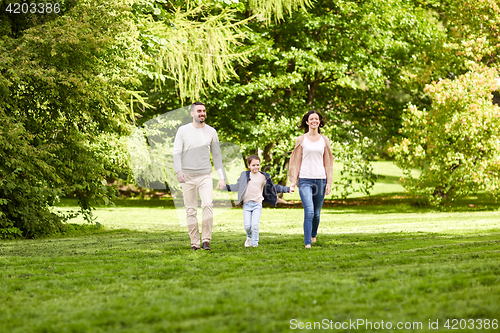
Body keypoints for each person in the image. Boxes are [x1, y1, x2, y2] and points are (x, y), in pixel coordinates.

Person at [173, 102, 226, 251]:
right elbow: (176, 152)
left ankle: (206, 240)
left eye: (203, 111)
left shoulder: (211, 132)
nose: (202, 113)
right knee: (190, 210)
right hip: (187, 176)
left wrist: (221, 177)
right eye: (199, 111)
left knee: (208, 204)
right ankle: (194, 242)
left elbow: (216, 155)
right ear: (192, 113)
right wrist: (179, 170)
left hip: (205, 175)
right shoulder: (183, 131)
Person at [225, 155, 295, 247]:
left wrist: (287, 189)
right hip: (246, 205)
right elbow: (237, 186)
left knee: (255, 225)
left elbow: (274, 188)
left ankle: (255, 244)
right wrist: (225, 187)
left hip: (257, 204)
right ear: (249, 166)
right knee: (247, 226)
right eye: (253, 165)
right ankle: (249, 237)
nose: (256, 167)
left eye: (258, 165)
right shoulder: (245, 176)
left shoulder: (263, 177)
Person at [289, 110, 333, 248]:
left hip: (320, 180)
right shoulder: (301, 140)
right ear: (307, 122)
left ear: (319, 122)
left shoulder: (325, 140)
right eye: (311, 119)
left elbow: (328, 163)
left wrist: (329, 183)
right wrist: (293, 180)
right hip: (304, 179)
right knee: (309, 210)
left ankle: (313, 235)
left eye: (317, 119)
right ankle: (307, 242)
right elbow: (295, 162)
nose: (314, 121)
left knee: (317, 214)